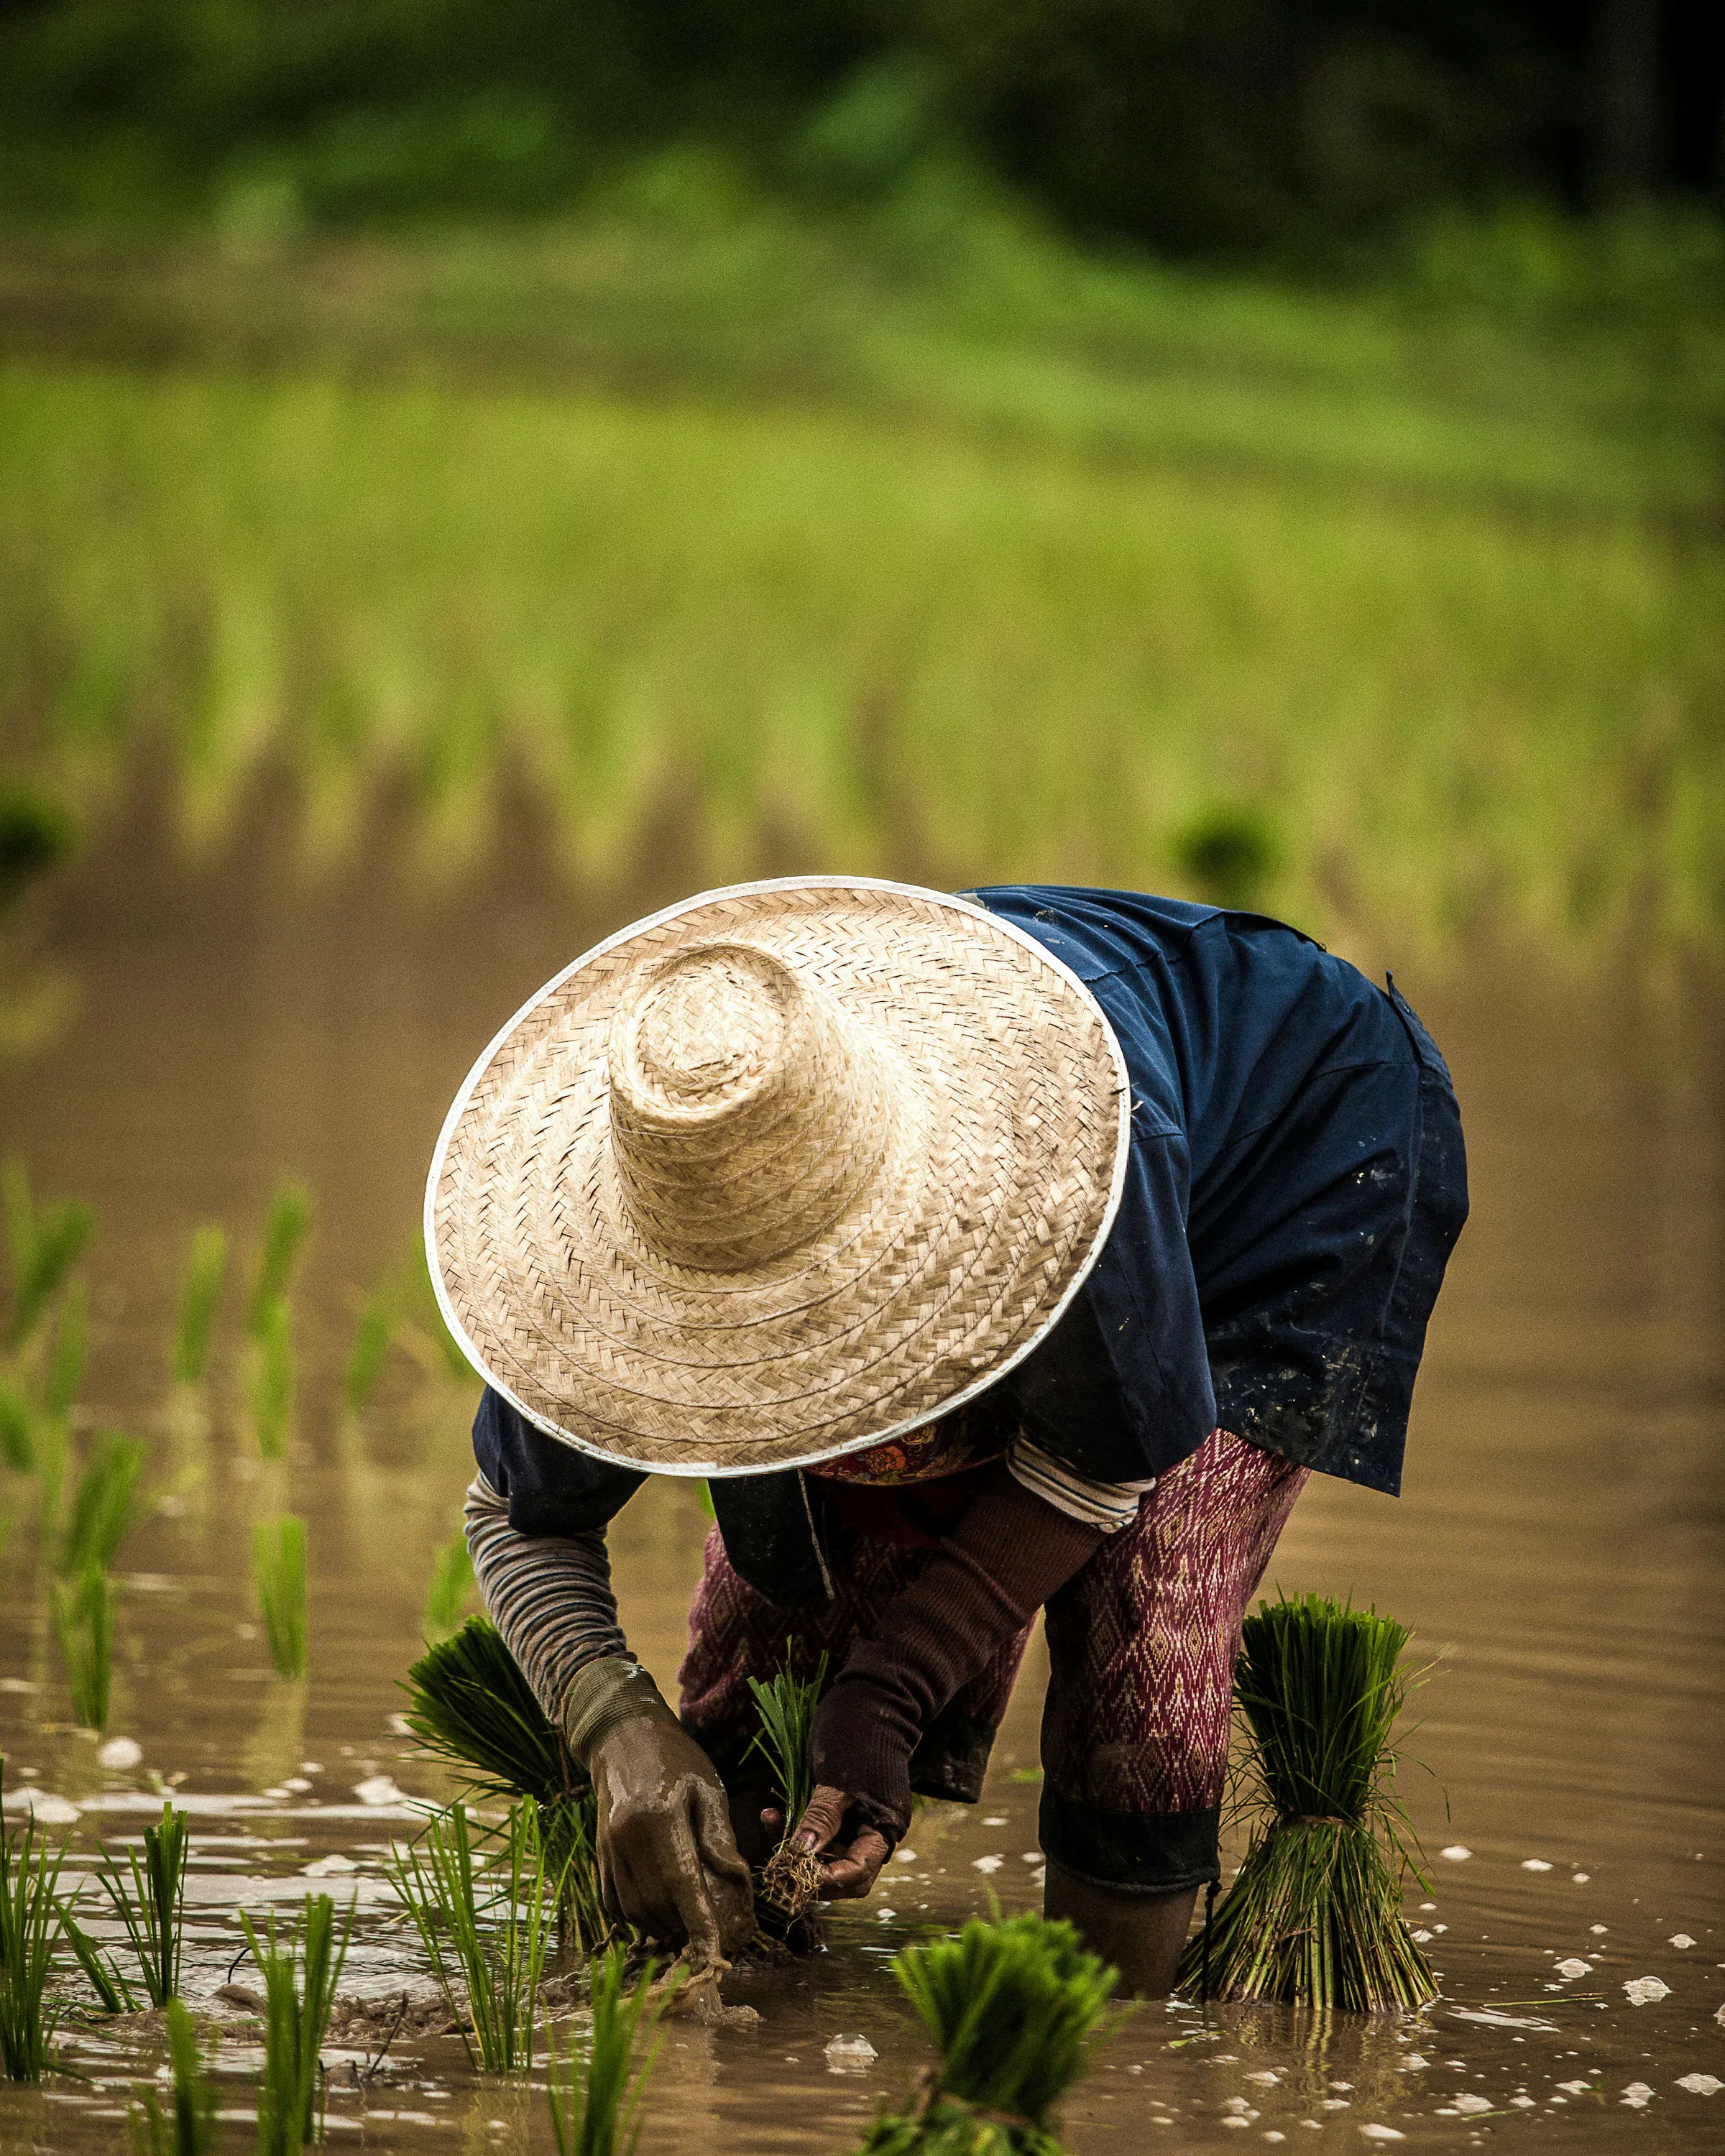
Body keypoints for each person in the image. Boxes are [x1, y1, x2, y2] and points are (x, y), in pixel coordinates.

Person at [428, 878, 1466, 1995]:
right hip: (984, 1148)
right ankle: (745, 1974)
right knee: (784, 1623)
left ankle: (1102, 2042)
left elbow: (1105, 1456)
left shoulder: (1064, 1183)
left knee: (1147, 1622)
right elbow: (515, 1514)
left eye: (810, 1316)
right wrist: (614, 1728)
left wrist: (895, 1690)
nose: (780, 1353)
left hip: (1287, 1150)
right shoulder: (623, 1241)